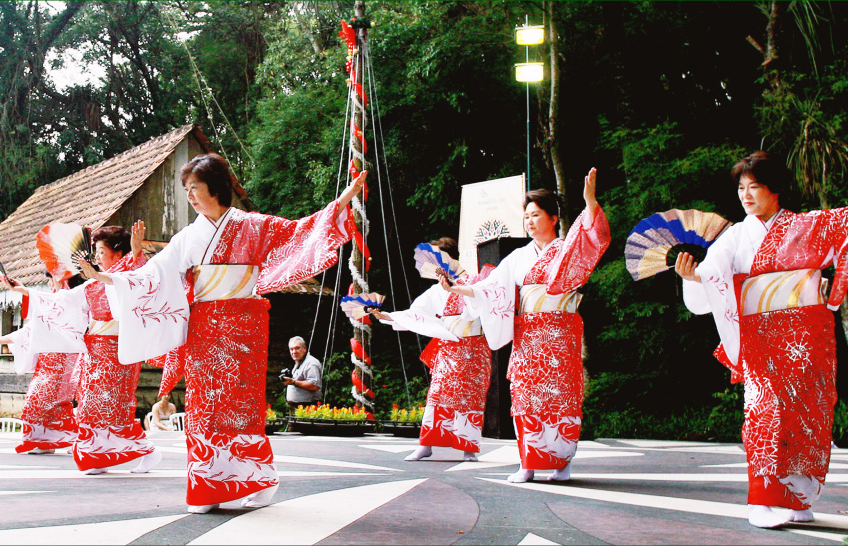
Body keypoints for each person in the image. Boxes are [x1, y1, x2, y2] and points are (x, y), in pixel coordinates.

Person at [674, 132, 848, 529]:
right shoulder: (734, 237)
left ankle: (796, 497)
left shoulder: (809, 225)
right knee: (765, 412)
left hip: (806, 335)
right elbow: (712, 279)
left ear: (775, 189)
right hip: (761, 337)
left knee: (807, 415)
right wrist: (694, 278)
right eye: (742, 188)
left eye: (755, 187)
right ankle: (761, 501)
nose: (746, 195)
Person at [87, 152, 363, 513]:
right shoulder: (189, 236)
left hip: (244, 325)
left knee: (240, 405)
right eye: (186, 189)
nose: (189, 195)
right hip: (204, 327)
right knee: (204, 404)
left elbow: (299, 231)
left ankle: (259, 478)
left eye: (194, 188)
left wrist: (341, 201)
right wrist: (108, 278)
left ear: (215, 188)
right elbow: (153, 274)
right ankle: (207, 484)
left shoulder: (252, 225)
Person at [443, 169, 610, 484]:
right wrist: (457, 289)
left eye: (536, 215)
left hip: (560, 336)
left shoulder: (566, 249)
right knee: (524, 396)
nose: (529, 221)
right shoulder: (518, 258)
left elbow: (592, 239)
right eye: (526, 216)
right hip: (529, 338)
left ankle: (563, 464)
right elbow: (489, 289)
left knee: (561, 397)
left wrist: (589, 202)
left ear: (554, 217)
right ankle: (528, 464)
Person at [7, 221, 159, 474]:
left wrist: (135, 250)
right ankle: (95, 456)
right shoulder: (90, 286)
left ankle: (147, 450)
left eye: (101, 251)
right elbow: (58, 301)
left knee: (113, 407)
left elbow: (138, 277)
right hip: (95, 353)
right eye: (96, 251)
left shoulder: (127, 276)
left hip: (119, 353)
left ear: (118, 253)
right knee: (89, 405)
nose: (97, 256)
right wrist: (23, 290)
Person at [369, 237, 492, 462]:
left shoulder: (473, 282)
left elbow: (484, 306)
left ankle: (469, 448)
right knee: (436, 397)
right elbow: (415, 313)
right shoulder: (436, 291)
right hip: (448, 350)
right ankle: (426, 444)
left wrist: (461, 290)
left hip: (473, 348)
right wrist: (386, 316)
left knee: (470, 399)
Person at [0, 314, 80, 454]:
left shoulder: (72, 301)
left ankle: (74, 440)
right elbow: (27, 332)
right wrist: (0, 340)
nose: (54, 290)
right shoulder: (44, 307)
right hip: (45, 362)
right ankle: (44, 442)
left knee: (57, 402)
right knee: (34, 401)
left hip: (66, 359)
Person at [283, 337, 322, 409]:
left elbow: (314, 385)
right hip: (297, 407)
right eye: (291, 349)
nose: (294, 352)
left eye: (297, 348)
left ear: (304, 349)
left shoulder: (311, 363)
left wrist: (293, 382)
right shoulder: (299, 362)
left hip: (308, 407)